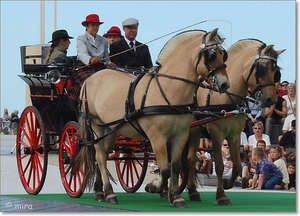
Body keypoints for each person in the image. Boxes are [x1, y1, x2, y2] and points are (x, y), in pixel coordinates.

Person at [68, 14, 113, 105]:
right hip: (84, 67)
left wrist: (110, 64)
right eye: (93, 25)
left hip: (100, 68)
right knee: (91, 82)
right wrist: (91, 60)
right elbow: (82, 54)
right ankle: (86, 104)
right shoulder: (81, 38)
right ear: (87, 26)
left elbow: (106, 58)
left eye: (97, 25)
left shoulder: (104, 40)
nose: (95, 27)